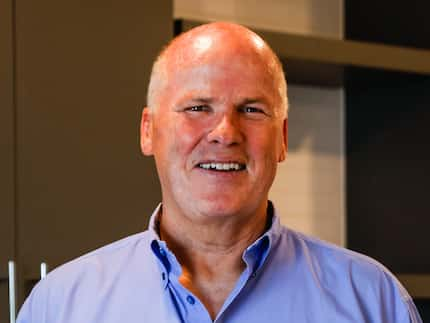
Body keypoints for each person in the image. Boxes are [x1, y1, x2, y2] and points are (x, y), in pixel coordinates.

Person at [17, 22, 422, 323]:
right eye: (197, 108)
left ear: (282, 139)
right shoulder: (60, 306)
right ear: (148, 131)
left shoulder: (374, 302)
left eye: (251, 109)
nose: (225, 132)